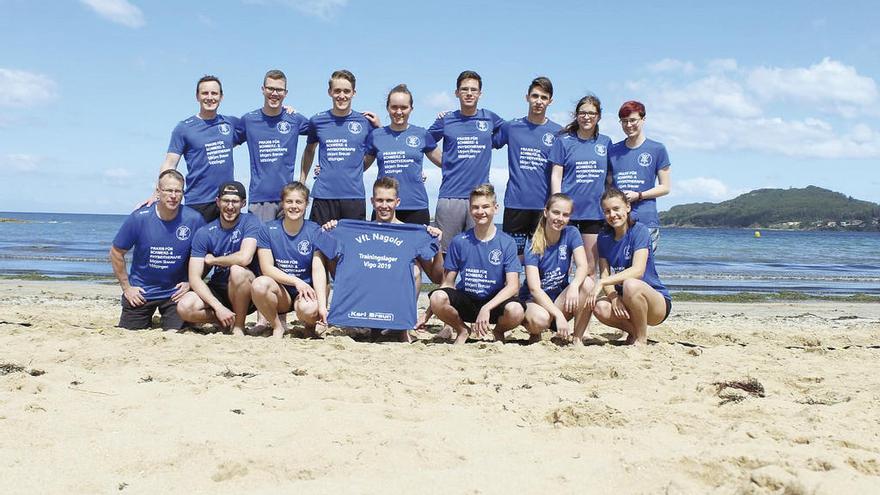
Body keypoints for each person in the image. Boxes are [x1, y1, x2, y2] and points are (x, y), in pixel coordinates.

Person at [319, 177, 445, 342]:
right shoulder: (355, 230)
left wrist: (437, 246)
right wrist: (330, 231)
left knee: (414, 271)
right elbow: (337, 269)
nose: (384, 205)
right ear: (372, 201)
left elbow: (436, 277)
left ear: (397, 202)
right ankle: (364, 323)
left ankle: (402, 325)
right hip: (364, 301)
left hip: (394, 302)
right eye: (379, 200)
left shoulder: (412, 233)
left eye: (389, 200)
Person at [428, 184, 525, 345]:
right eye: (475, 207)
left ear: (496, 208)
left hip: (494, 303)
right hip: (467, 301)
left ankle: (498, 331)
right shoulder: (459, 241)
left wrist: (487, 308)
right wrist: (429, 312)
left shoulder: (507, 242)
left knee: (516, 310)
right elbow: (447, 283)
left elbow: (513, 286)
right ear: (470, 209)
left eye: (485, 206)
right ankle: (462, 330)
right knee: (437, 297)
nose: (480, 212)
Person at [110, 170, 206, 331]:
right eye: (168, 190)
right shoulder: (139, 217)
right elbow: (116, 252)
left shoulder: (194, 219)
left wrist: (191, 282)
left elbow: (206, 254)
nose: (173, 195)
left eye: (178, 191)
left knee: (178, 333)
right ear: (158, 192)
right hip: (141, 293)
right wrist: (127, 288)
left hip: (175, 294)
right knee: (130, 333)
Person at [146, 75, 245, 222]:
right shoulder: (183, 128)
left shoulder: (231, 123)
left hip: (225, 202)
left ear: (221, 97)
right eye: (205, 93)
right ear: (197, 97)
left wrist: (285, 110)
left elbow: (259, 127)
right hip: (197, 201)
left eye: (214, 93)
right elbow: (170, 163)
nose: (210, 97)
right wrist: (157, 192)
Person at [428, 70, 504, 252]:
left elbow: (512, 134)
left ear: (480, 93)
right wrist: (444, 162)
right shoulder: (446, 119)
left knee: (479, 252)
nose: (469, 93)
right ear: (456, 93)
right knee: (445, 252)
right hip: (450, 196)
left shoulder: (490, 118)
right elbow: (426, 141)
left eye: (473, 89)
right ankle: (447, 282)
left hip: (480, 198)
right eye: (464, 89)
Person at [176, 181, 262, 336]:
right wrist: (218, 307)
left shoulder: (250, 221)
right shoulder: (205, 232)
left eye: (235, 201)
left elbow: (245, 258)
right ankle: (224, 319)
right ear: (218, 202)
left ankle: (239, 326)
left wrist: (214, 260)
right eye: (226, 201)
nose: (230, 206)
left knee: (237, 270)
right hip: (219, 289)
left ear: (243, 203)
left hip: (247, 291)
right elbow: (194, 278)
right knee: (184, 307)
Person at [590, 188, 672, 345]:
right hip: (625, 300)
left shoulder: (639, 230)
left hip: (655, 303)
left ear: (627, 207)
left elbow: (638, 271)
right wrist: (613, 298)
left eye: (616, 209)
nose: (612, 215)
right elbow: (605, 274)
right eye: (607, 211)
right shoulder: (604, 237)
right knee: (599, 306)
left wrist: (601, 282)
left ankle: (641, 340)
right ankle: (635, 333)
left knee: (631, 283)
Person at [493, 76, 563, 255]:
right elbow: (485, 141)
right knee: (512, 258)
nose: (539, 101)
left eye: (544, 97)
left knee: (541, 257)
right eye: (535, 96)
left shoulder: (558, 132)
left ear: (550, 101)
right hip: (516, 204)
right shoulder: (512, 127)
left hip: (543, 206)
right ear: (527, 97)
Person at [299, 69, 378, 225]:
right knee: (321, 244)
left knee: (353, 245)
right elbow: (309, 150)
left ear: (354, 93)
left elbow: (373, 152)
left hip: (353, 196)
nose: (342, 95)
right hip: (323, 195)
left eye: (346, 91)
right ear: (330, 92)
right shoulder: (317, 120)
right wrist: (302, 180)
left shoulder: (365, 122)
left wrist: (358, 169)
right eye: (337, 91)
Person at [250, 182, 327, 339]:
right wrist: (296, 282)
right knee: (259, 284)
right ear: (282, 203)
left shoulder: (314, 230)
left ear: (306, 204)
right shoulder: (268, 229)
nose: (294, 206)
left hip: (306, 292)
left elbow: (318, 269)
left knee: (310, 310)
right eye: (289, 201)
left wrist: (323, 305)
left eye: (298, 202)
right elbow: (266, 268)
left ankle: (310, 326)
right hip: (281, 291)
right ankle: (278, 327)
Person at [549, 94, 612, 275]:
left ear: (598, 116)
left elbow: (609, 179)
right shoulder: (563, 141)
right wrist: (557, 204)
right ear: (576, 115)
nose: (587, 117)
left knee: (590, 267)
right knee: (562, 266)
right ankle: (561, 301)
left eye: (592, 113)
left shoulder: (605, 142)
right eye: (583, 113)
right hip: (567, 212)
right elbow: (556, 175)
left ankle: (588, 302)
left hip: (593, 213)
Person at [239, 69, 312, 221]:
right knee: (261, 245)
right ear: (263, 89)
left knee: (288, 244)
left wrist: (304, 177)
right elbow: (225, 142)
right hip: (260, 199)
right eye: (270, 88)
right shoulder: (249, 120)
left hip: (289, 199)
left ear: (286, 93)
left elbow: (322, 133)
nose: (274, 93)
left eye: (279, 90)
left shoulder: (294, 119)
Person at [521, 194, 594, 345]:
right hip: (536, 302)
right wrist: (558, 315)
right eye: (556, 212)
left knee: (587, 283)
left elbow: (583, 266)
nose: (560, 218)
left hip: (560, 301)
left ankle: (577, 338)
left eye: (565, 214)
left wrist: (574, 285)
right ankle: (535, 333)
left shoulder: (571, 233)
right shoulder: (533, 243)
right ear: (546, 212)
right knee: (541, 319)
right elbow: (535, 289)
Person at [364, 84, 442, 225]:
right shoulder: (375, 135)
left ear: (411, 108)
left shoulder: (422, 134)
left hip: (416, 207)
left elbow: (445, 163)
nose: (399, 112)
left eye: (404, 107)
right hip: (384, 207)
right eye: (394, 107)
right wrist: (326, 166)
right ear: (387, 108)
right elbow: (359, 166)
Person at [608, 100, 671, 252]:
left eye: (633, 120)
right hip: (618, 221)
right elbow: (608, 185)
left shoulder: (657, 149)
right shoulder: (613, 150)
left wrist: (639, 195)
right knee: (620, 270)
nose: (628, 125)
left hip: (646, 221)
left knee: (642, 271)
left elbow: (665, 187)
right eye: (624, 121)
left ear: (643, 119)